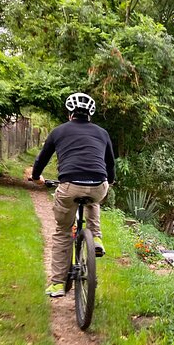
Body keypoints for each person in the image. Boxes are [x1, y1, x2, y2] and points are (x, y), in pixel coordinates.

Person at [27, 92, 115, 298]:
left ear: (70, 113)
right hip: (98, 185)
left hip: (69, 186)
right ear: (90, 115)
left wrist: (37, 177)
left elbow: (42, 158)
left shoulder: (59, 131)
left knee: (62, 231)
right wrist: (109, 180)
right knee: (94, 199)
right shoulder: (102, 133)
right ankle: (97, 239)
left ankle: (58, 283)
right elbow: (110, 163)